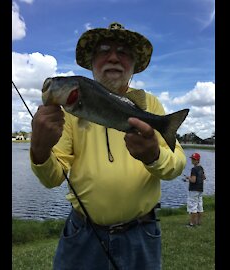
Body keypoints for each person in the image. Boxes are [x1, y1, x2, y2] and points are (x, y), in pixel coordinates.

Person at [29, 22, 186, 270]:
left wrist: (154, 155)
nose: (113, 57)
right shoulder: (66, 113)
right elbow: (53, 178)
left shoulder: (149, 104)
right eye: (103, 50)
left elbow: (177, 166)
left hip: (141, 233)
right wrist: (39, 151)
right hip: (83, 233)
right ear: (91, 63)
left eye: (123, 51)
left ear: (134, 65)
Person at [183, 152, 207, 227]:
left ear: (197, 160)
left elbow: (193, 180)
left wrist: (188, 178)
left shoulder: (194, 169)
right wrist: (189, 179)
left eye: (194, 159)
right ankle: (198, 222)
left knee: (192, 206)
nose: (192, 160)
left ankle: (192, 224)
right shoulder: (201, 168)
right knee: (199, 206)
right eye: (192, 159)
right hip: (200, 189)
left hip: (193, 190)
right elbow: (204, 177)